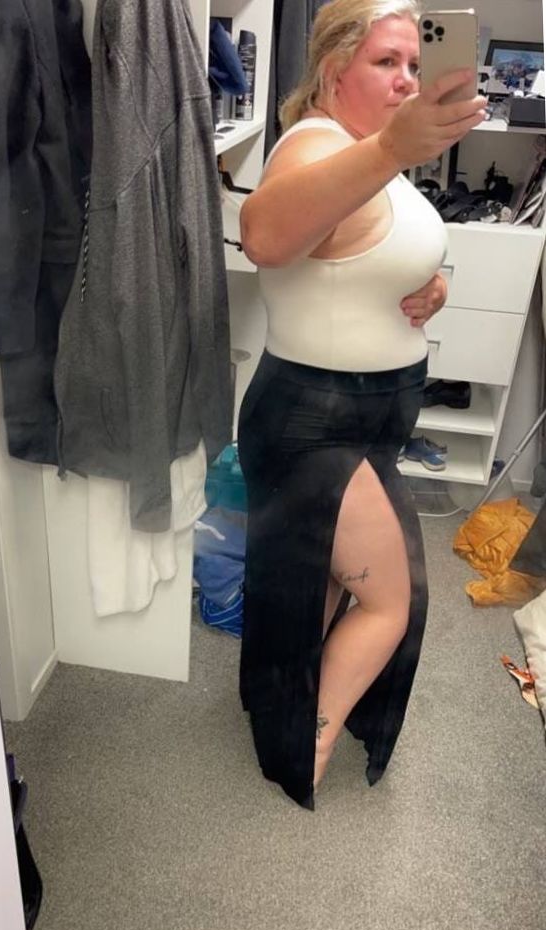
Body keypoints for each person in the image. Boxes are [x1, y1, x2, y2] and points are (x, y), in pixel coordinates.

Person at [236, 0, 487, 810]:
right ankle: (301, 743)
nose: (407, 79)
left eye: (415, 63)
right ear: (334, 68)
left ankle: (283, 706)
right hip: (316, 425)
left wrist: (432, 286)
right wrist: (390, 147)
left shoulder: (367, 153)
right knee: (389, 598)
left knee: (321, 584)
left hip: (359, 422)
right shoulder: (318, 144)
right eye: (387, 62)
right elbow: (265, 236)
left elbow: (371, 253)